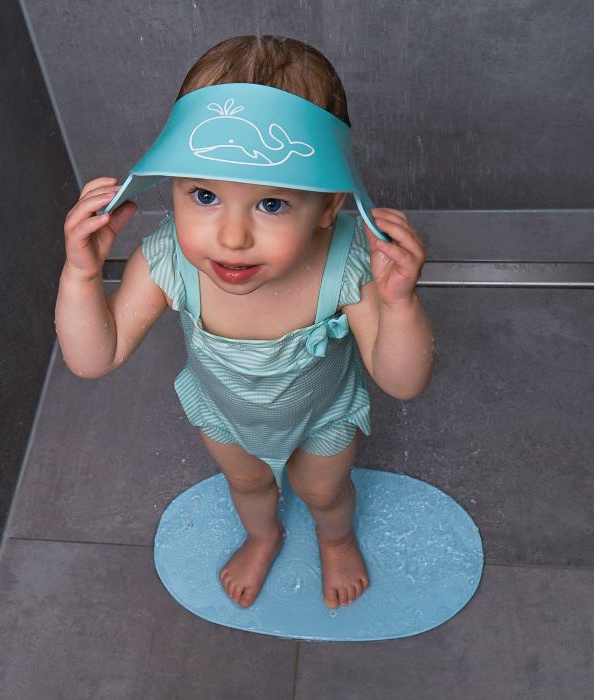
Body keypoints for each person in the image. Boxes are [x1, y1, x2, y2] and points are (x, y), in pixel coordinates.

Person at [55, 35, 435, 611]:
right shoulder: (169, 260)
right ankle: (263, 536)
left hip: (323, 416)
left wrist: (400, 304)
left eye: (271, 204)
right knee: (248, 485)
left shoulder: (346, 264)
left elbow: (401, 380)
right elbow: (93, 358)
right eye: (204, 195)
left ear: (329, 207)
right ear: (173, 185)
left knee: (325, 492)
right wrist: (82, 275)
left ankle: (336, 539)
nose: (232, 238)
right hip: (224, 416)